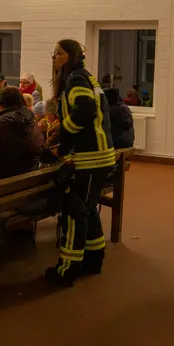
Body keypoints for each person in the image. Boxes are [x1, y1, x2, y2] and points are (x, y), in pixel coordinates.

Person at [45, 39, 115, 287]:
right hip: (100, 155)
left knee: (74, 214)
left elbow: (84, 110)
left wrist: (64, 132)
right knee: (87, 209)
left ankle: (67, 270)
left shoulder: (74, 78)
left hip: (88, 158)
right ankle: (94, 259)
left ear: (70, 56)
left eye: (59, 54)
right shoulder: (87, 76)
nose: (54, 58)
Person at [0, 86, 44, 183]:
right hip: (27, 183)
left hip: (0, 185)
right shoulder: (32, 122)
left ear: (1, 104)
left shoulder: (0, 125)